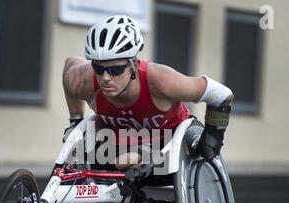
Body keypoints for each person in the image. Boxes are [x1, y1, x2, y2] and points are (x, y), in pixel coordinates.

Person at [62, 15, 234, 173]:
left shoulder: (161, 80)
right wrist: (74, 121)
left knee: (125, 160)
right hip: (115, 141)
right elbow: (70, 64)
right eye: (99, 68)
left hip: (167, 141)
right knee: (76, 160)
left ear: (134, 65)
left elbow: (221, 94)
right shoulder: (84, 79)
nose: (106, 78)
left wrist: (213, 139)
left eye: (116, 70)